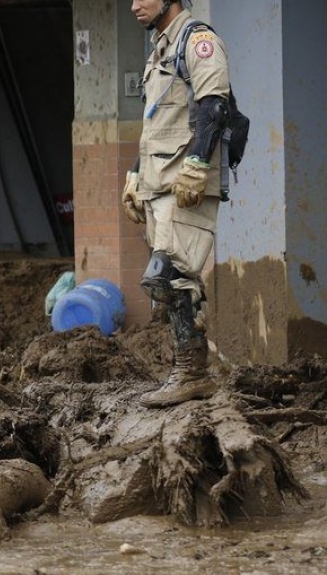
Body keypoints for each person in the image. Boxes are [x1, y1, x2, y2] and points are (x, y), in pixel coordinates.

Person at [123, 0, 229, 408]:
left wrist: (199, 163)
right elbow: (156, 120)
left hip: (186, 183)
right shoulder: (159, 49)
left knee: (170, 274)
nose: (134, 5)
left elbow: (214, 105)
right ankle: (192, 371)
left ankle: (192, 373)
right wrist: (135, 174)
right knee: (170, 284)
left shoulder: (197, 40)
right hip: (159, 183)